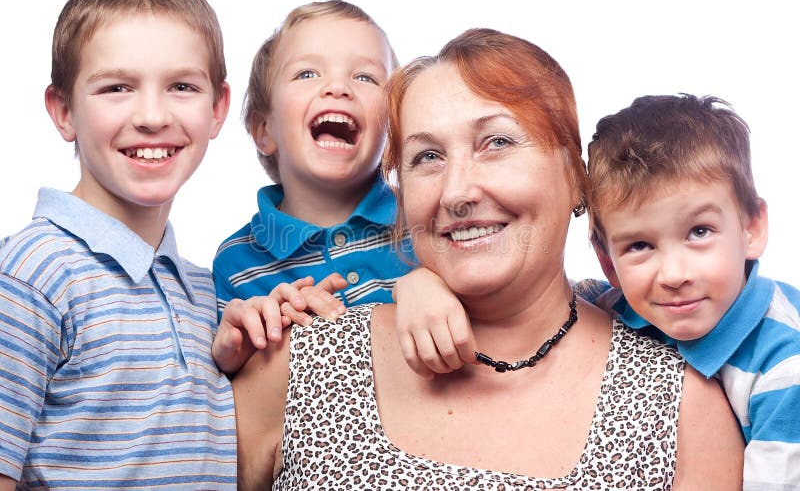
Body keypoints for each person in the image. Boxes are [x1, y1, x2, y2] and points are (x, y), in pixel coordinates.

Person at [231, 29, 744, 489]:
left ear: (574, 177)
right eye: (427, 157)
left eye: (496, 142)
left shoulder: (680, 407)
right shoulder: (300, 362)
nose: (456, 193)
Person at [0, 0, 236, 488]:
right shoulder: (31, 275)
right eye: (116, 88)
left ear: (218, 108)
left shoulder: (203, 288)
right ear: (63, 111)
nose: (152, 116)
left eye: (181, 85)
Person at [586, 94, 800, 489]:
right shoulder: (617, 306)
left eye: (699, 232)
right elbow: (527, 298)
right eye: (639, 246)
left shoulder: (786, 370)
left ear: (751, 228)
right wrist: (431, 284)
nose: (673, 274)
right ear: (607, 262)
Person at [212, 1, 411, 357]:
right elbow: (230, 387)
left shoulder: (425, 224)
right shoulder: (236, 261)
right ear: (264, 130)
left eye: (364, 77)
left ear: (392, 130)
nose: (338, 87)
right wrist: (250, 340)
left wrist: (430, 287)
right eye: (307, 74)